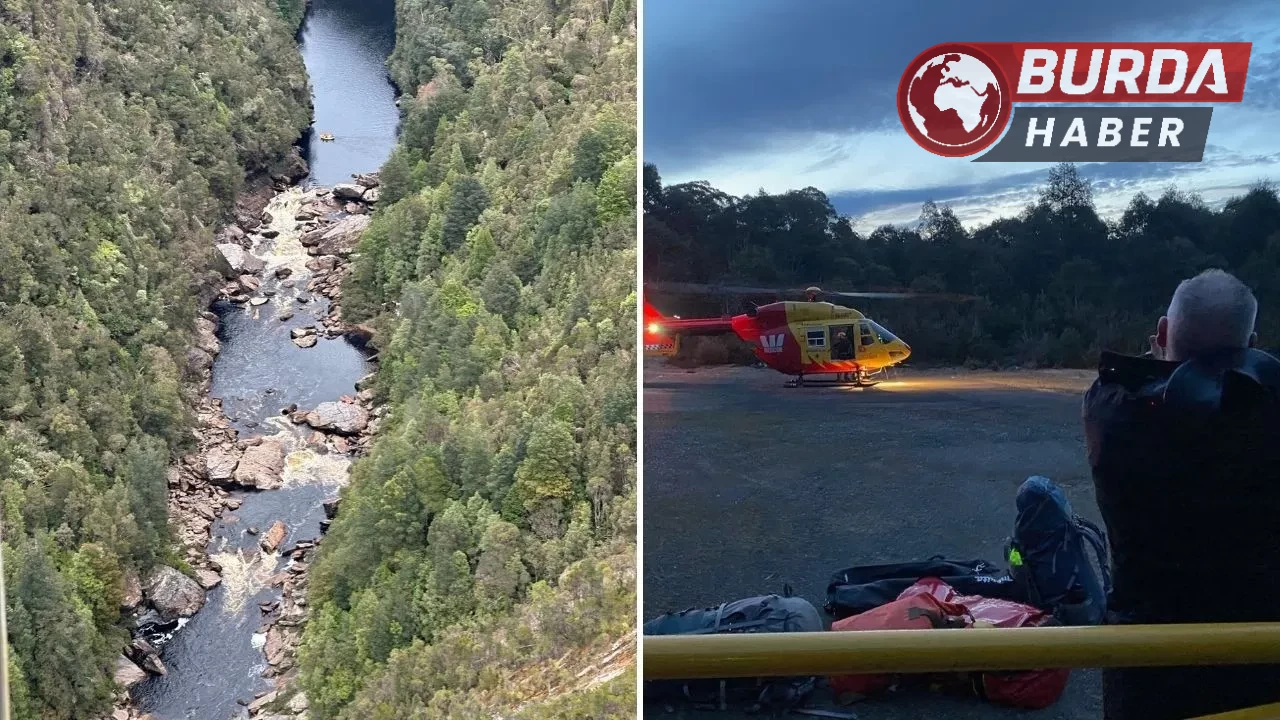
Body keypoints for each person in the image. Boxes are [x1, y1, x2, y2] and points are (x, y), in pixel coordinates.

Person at [1082, 269, 1280, 719]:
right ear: (1252, 344)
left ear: (1163, 333)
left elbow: (1122, 379)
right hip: (1260, 662)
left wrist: (1168, 357)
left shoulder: (1110, 411)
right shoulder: (1267, 420)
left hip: (1147, 665)